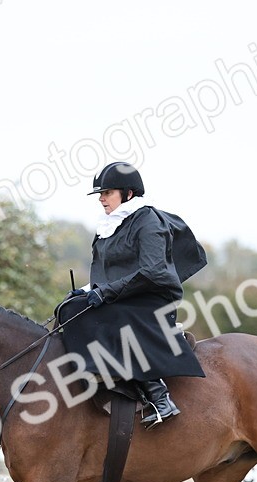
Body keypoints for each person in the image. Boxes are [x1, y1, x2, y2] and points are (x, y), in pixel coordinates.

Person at [59, 161, 207, 427]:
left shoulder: (148, 221)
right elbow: (109, 271)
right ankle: (98, 376)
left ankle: (158, 395)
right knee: (69, 309)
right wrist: (85, 291)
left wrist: (105, 293)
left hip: (152, 296)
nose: (102, 199)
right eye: (100, 194)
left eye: (107, 193)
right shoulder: (110, 223)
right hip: (123, 294)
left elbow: (152, 271)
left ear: (128, 194)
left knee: (108, 316)